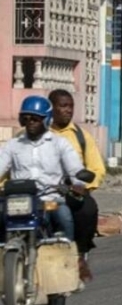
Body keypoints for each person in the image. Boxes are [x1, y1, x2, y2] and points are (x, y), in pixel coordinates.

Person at [0, 96, 90, 242]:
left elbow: (75, 169)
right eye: (26, 118)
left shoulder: (60, 144)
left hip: (50, 198)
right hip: (19, 200)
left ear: (46, 119)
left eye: (35, 119)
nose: (30, 123)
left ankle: (69, 257)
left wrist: (78, 184)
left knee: (64, 217)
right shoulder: (13, 145)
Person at [48, 90, 105, 283]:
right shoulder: (34, 133)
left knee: (87, 209)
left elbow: (96, 168)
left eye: (70, 106)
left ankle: (80, 254)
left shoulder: (81, 136)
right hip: (39, 192)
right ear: (51, 108)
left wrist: (84, 187)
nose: (68, 111)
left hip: (69, 190)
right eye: (63, 106)